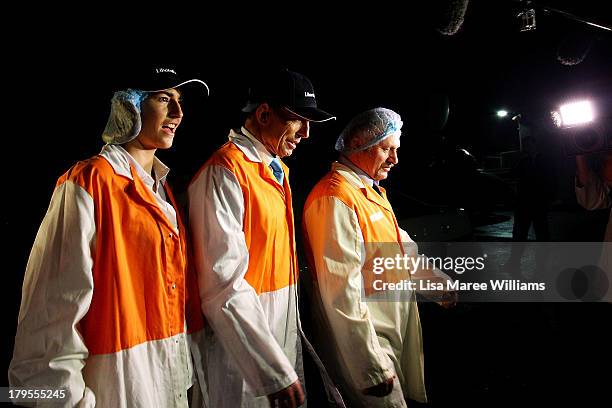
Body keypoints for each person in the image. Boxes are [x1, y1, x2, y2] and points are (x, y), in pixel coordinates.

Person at [9, 66, 209, 407]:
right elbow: (50, 320)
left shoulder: (165, 192)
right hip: (119, 390)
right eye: (164, 99)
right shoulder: (88, 183)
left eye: (180, 100)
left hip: (168, 388)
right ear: (128, 105)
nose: (178, 112)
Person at [188, 68, 335, 408]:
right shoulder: (224, 172)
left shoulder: (275, 169)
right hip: (240, 360)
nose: (307, 133)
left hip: (273, 339)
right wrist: (271, 370)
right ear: (264, 114)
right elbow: (221, 285)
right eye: (298, 120)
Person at [302, 107, 456, 408]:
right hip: (366, 341)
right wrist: (368, 364)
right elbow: (340, 293)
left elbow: (402, 250)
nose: (395, 159)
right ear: (359, 142)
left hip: (390, 332)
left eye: (396, 150)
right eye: (387, 149)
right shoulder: (335, 198)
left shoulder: (370, 193)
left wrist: (439, 285)